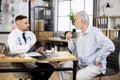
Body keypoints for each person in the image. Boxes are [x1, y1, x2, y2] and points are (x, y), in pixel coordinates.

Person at [57, 11, 115, 80]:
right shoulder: (80, 34)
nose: (74, 22)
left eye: (75, 20)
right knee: (61, 67)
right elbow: (74, 51)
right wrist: (69, 40)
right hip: (81, 63)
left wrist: (98, 59)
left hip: (94, 65)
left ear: (82, 21)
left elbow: (110, 46)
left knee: (80, 76)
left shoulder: (95, 33)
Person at [7, 15, 54, 80]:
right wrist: (28, 46)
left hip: (33, 59)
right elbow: (13, 49)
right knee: (37, 70)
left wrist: (39, 49)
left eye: (28, 22)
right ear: (18, 24)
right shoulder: (12, 35)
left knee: (50, 68)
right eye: (26, 23)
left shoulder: (31, 34)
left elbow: (34, 48)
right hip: (21, 61)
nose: (28, 24)